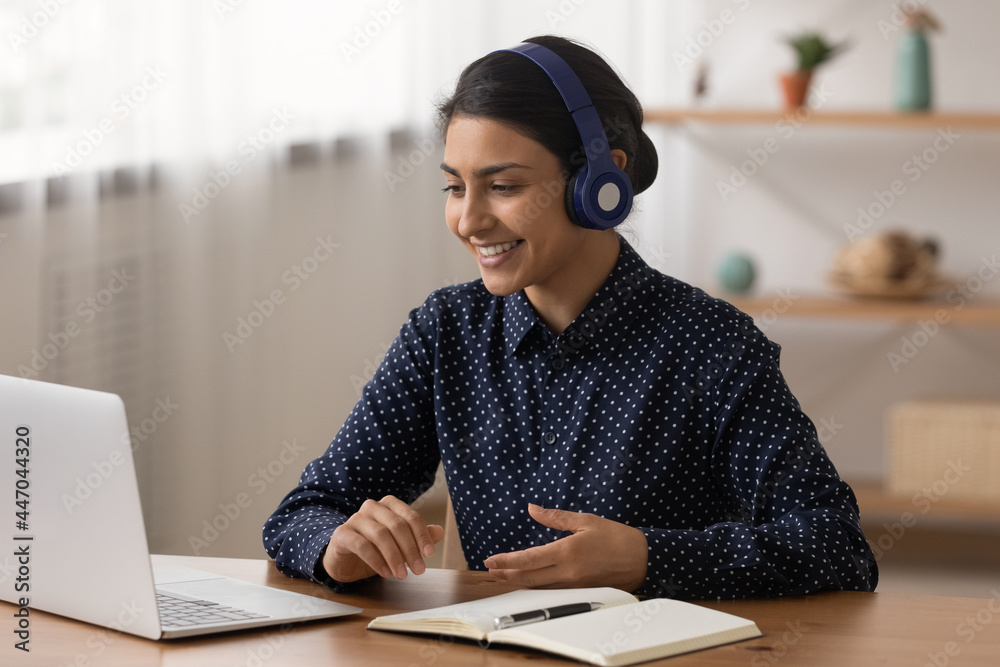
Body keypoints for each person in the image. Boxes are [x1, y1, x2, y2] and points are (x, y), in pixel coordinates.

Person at [263, 35, 878, 599]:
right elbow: (303, 511)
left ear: (598, 182)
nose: (469, 221)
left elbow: (838, 547)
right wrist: (336, 548)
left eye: (502, 187)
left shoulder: (708, 342)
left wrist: (648, 558)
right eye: (455, 187)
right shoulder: (446, 333)